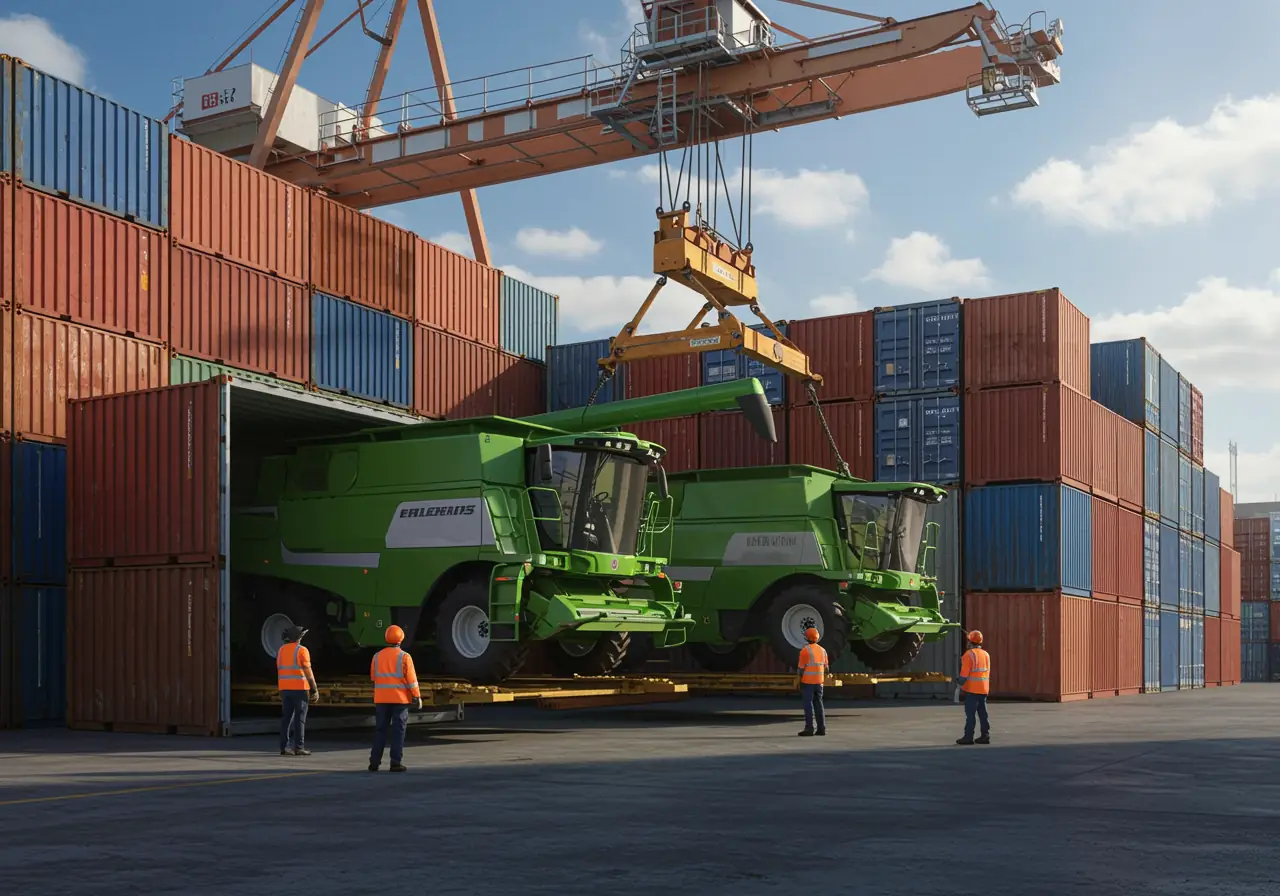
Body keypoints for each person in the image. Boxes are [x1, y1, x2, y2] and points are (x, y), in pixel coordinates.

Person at [369, 624, 424, 772]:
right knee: (398, 731)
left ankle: (374, 762)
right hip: (400, 700)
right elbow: (411, 680)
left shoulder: (377, 656)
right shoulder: (405, 657)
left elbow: (373, 677)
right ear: (401, 639)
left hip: (381, 700)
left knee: (380, 730)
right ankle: (395, 763)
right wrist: (417, 696)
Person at [277, 625, 319, 756]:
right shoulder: (301, 650)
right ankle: (299, 747)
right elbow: (308, 671)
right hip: (300, 689)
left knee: (286, 718)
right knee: (300, 718)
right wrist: (314, 689)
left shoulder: (281, 650)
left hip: (285, 688)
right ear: (298, 638)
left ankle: (284, 747)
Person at [955, 630, 991, 745]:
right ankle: (985, 735)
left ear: (970, 642)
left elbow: (964, 674)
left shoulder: (969, 655)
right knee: (983, 714)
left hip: (972, 690)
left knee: (970, 715)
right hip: (984, 689)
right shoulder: (986, 654)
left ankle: (968, 737)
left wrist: (959, 681)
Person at [793, 626, 829, 737]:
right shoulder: (823, 651)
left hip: (808, 682)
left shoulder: (805, 651)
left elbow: (801, 669)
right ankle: (821, 728)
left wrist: (797, 681)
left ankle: (809, 728)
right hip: (819, 683)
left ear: (806, 638)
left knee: (808, 705)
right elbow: (827, 669)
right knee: (819, 704)